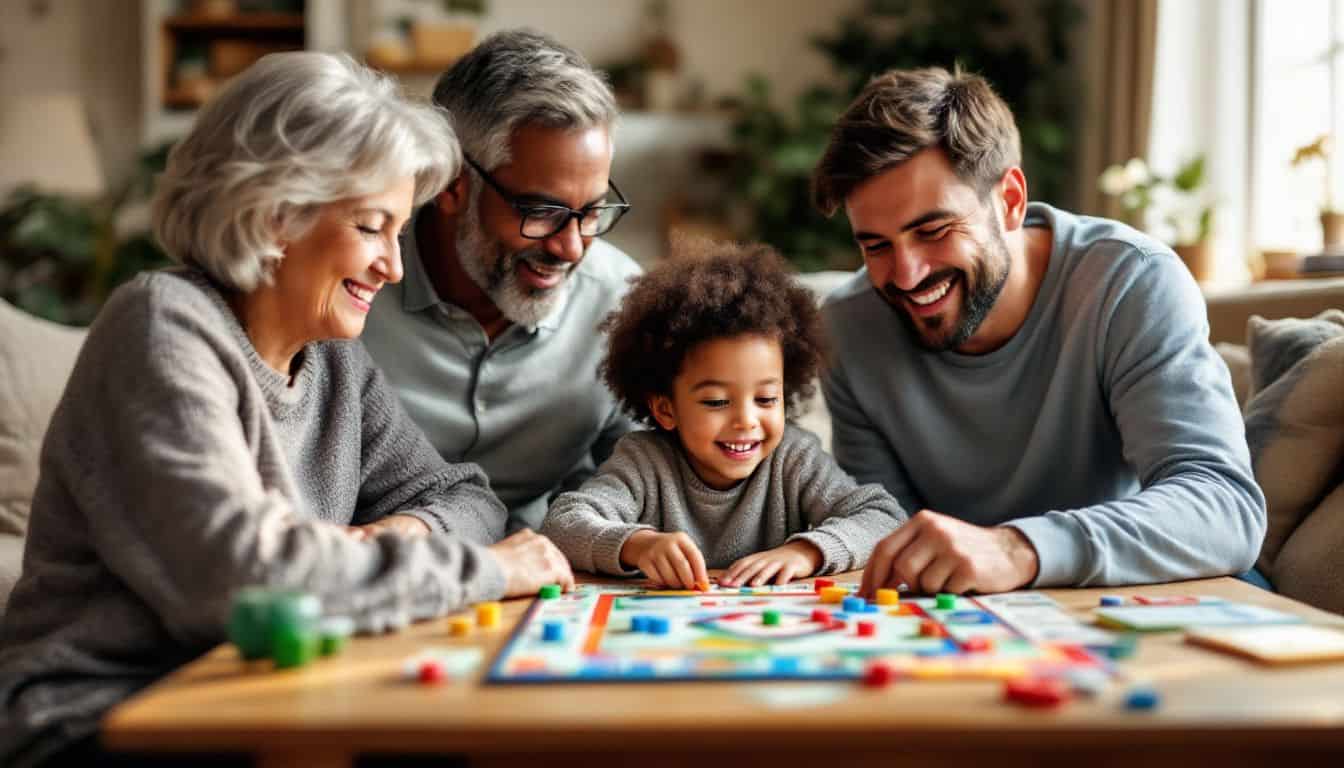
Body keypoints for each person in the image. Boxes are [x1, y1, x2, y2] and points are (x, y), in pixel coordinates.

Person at [0, 52, 573, 768]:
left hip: (265, 692)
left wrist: (401, 534)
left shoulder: (331, 360)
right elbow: (242, 582)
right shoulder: (161, 328)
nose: (393, 267)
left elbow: (465, 498)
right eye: (372, 227)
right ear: (275, 215)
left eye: (398, 233)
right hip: (103, 715)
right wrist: (485, 572)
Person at [809, 66, 1266, 598]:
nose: (906, 275)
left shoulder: (1128, 283)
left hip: (1121, 594)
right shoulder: (848, 328)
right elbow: (885, 525)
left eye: (933, 230)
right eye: (876, 245)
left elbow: (1225, 508)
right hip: (965, 619)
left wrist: (1016, 549)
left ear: (1009, 201)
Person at [361, 29, 642, 533]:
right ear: (450, 183)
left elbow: (652, 478)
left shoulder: (622, 303)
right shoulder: (351, 287)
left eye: (593, 211)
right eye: (541, 210)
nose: (571, 247)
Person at [541, 238, 907, 589]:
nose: (746, 421)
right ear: (666, 409)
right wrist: (638, 545)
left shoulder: (795, 459)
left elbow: (883, 517)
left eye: (765, 399)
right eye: (716, 402)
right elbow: (563, 524)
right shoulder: (643, 462)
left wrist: (806, 552)